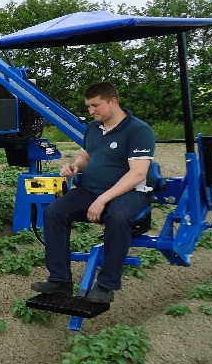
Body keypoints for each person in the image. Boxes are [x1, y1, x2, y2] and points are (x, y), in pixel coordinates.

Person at [31, 81, 155, 303]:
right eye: (88, 107)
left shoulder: (138, 130)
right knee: (54, 212)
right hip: (91, 189)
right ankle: (60, 281)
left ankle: (107, 284)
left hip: (130, 192)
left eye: (95, 105)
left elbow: (138, 174)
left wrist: (102, 199)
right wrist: (75, 166)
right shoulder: (93, 128)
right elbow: (86, 156)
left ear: (113, 101)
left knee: (118, 218)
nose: (91, 111)